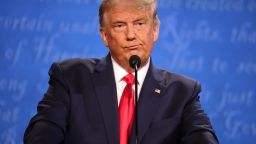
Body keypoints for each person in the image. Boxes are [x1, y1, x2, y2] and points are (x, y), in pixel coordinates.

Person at [24, 0, 219, 143]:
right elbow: (42, 135)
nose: (131, 35)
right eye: (119, 25)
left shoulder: (182, 92)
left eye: (140, 23)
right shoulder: (70, 78)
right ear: (105, 36)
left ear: (155, 30)